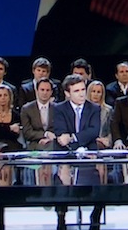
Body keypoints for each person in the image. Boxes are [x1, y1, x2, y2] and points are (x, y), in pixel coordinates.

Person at [52, 74, 101, 229]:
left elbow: (93, 131)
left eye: (83, 89)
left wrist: (73, 138)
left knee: (98, 184)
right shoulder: (59, 109)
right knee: (62, 182)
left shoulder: (94, 108)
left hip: (89, 154)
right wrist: (76, 145)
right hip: (66, 154)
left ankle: (96, 215)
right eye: (76, 91)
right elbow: (61, 135)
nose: (81, 94)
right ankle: (61, 216)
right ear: (67, 93)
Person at [21, 78, 57, 150]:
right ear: (37, 91)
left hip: (53, 142)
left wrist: (50, 138)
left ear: (51, 92)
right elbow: (27, 133)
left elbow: (60, 129)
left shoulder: (57, 108)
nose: (45, 93)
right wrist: (45, 134)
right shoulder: (26, 109)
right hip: (34, 143)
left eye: (47, 90)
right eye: (42, 90)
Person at [87, 80, 113, 149]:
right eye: (93, 91)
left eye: (98, 92)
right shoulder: (83, 109)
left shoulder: (108, 110)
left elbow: (111, 130)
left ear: (102, 94)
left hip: (103, 142)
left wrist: (107, 140)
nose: (96, 94)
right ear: (89, 93)